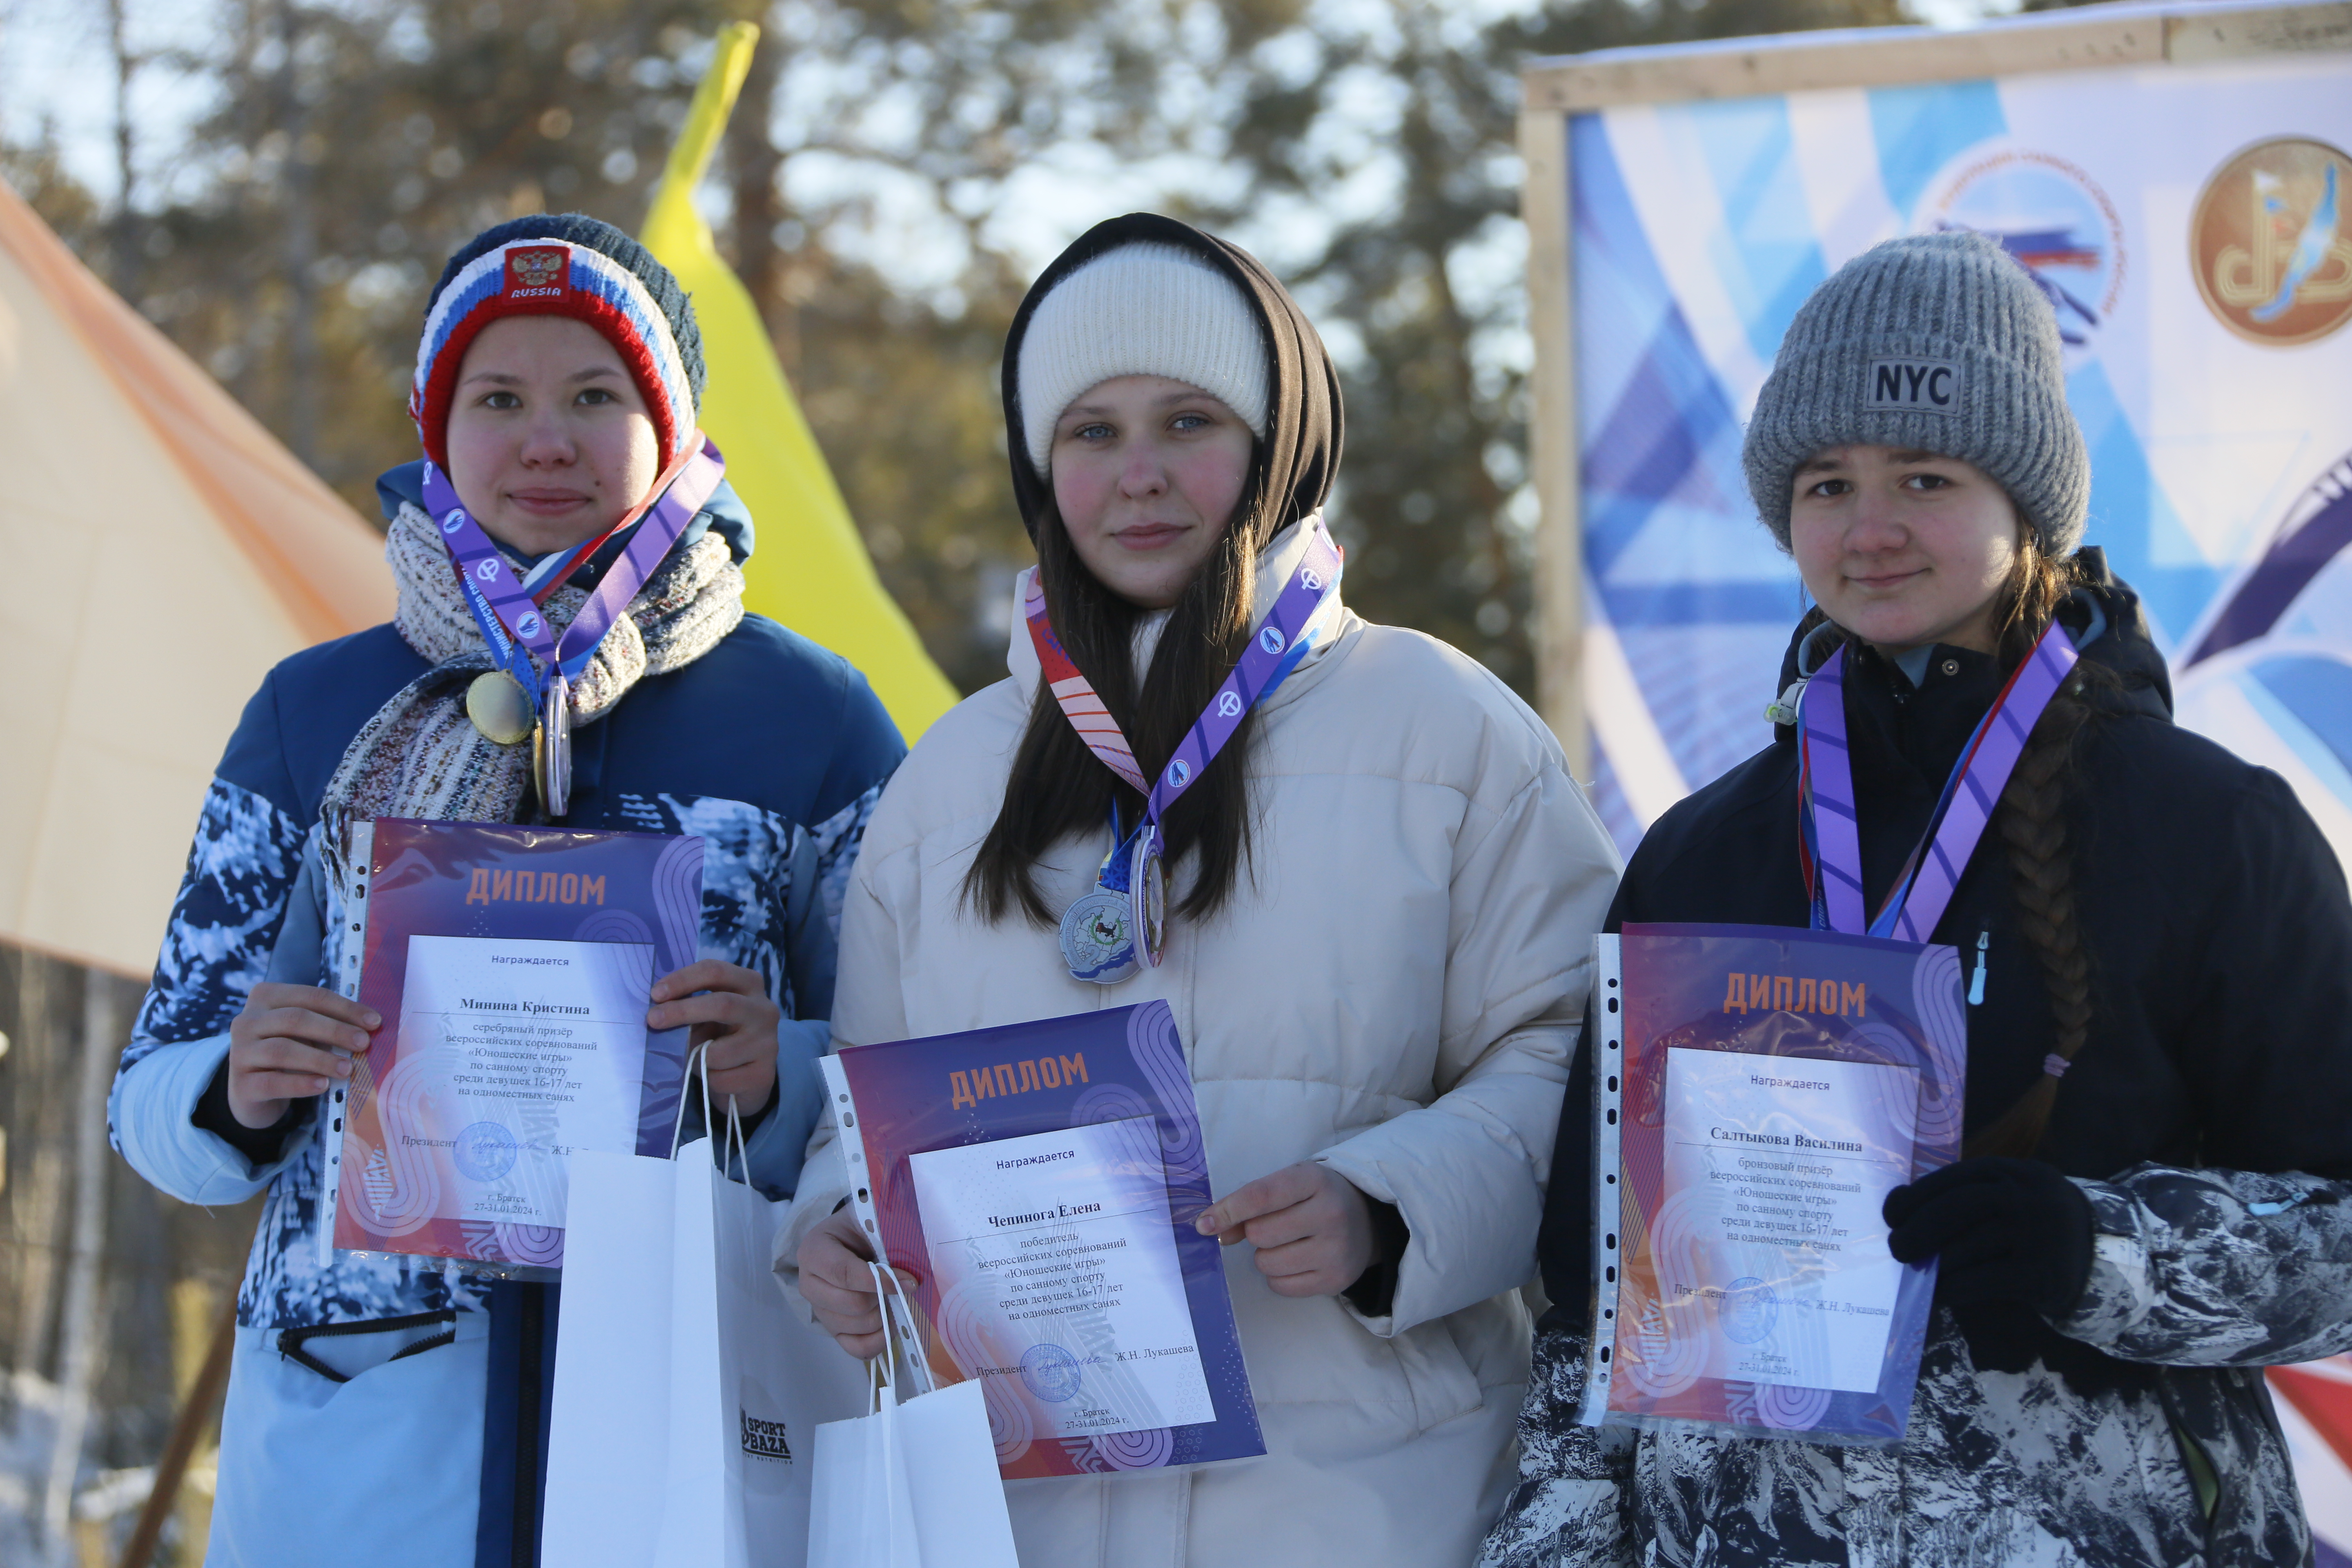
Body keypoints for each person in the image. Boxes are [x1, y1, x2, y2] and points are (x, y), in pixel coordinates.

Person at [1480, 231, 2352, 1568]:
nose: (1869, 527)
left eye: (1925, 477)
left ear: (2027, 505)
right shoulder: (1699, 854)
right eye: (1827, 484)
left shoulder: (2209, 828)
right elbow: (1595, 1311)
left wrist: (2098, 1252)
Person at [773, 211, 1621, 1565]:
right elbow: (866, 1098)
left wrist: (1391, 1203)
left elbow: (1578, 1053)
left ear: (1280, 444)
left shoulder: (1447, 728)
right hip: (1023, 1514)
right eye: (1092, 433)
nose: (1140, 475)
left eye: (1189, 422)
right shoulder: (955, 779)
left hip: (1364, 1505)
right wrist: (838, 1232)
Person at [108, 213, 903, 1566]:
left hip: (696, 1432)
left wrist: (784, 1070)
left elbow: (913, 1078)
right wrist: (232, 1086)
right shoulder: (319, 708)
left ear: (673, 430)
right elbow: (151, 1099)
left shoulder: (809, 714)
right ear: (438, 427)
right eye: (501, 399)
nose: (547, 438)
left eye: (597, 397)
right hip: (370, 1449)